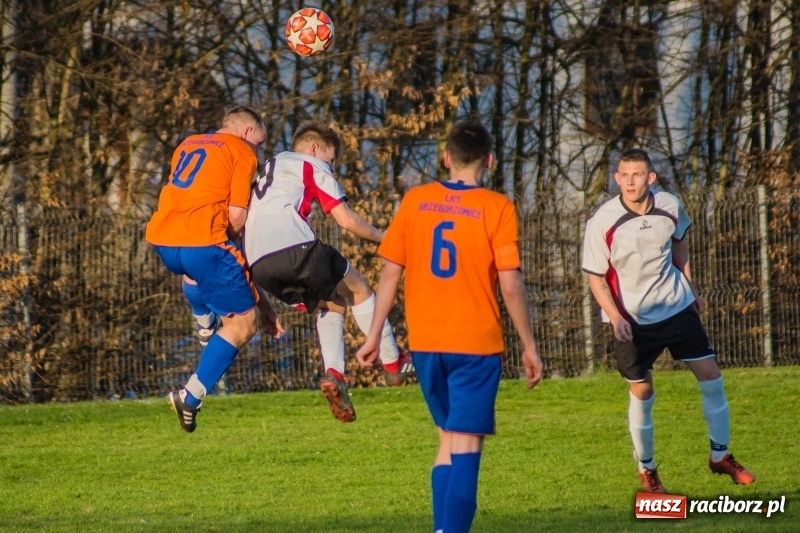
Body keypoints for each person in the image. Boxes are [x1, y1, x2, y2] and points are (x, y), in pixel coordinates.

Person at [355, 121, 543, 533]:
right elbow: (510, 284)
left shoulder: (416, 200)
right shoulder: (497, 208)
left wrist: (373, 336)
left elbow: (389, 274)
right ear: (489, 161)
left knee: (447, 440)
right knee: (467, 445)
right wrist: (529, 345)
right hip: (475, 344)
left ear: (446, 158)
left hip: (425, 343)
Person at [581, 148, 755, 493]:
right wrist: (614, 317)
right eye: (624, 175)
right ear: (616, 179)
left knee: (712, 376)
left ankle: (720, 455)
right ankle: (647, 470)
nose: (630, 182)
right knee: (643, 392)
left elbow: (680, 246)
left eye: (637, 175)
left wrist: (691, 289)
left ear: (650, 178)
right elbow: (595, 278)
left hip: (676, 307)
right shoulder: (602, 221)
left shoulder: (670, 206)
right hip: (632, 319)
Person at [242, 121, 415, 423]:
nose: (332, 168)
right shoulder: (310, 164)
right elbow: (346, 221)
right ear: (314, 149)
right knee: (360, 287)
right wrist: (389, 238)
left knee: (332, 301)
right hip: (292, 247)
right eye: (331, 160)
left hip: (259, 264)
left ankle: (334, 373)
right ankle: (393, 363)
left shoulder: (271, 166)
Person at [146, 105, 283, 433]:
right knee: (244, 323)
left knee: (194, 271)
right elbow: (236, 216)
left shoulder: (188, 143)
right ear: (247, 133)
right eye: (259, 143)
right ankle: (189, 397)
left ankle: (204, 321)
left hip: (164, 240)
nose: (258, 151)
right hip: (203, 245)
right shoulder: (242, 152)